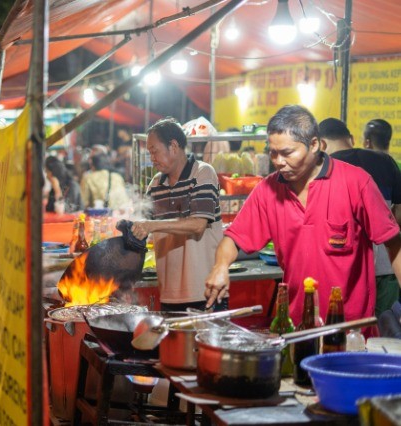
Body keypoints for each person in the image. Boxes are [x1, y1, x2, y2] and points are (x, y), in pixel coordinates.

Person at [205, 105, 401, 332]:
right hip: (297, 327)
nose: (278, 161)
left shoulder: (356, 182)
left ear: (315, 145)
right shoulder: (268, 190)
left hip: (351, 329)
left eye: (287, 153)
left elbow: (393, 242)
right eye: (273, 153)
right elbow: (234, 238)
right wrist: (220, 266)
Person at [130, 117, 224, 311]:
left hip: (205, 291)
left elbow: (198, 225)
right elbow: (142, 225)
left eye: (154, 151)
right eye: (149, 153)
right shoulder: (156, 184)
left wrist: (151, 225)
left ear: (173, 146)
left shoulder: (203, 173)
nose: (152, 158)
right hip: (169, 294)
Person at [319, 118, 401, 316]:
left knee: (350, 331)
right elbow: (398, 214)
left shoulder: (325, 170)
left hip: (347, 271)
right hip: (388, 266)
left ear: (320, 144)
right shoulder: (386, 161)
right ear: (352, 138)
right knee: (385, 332)